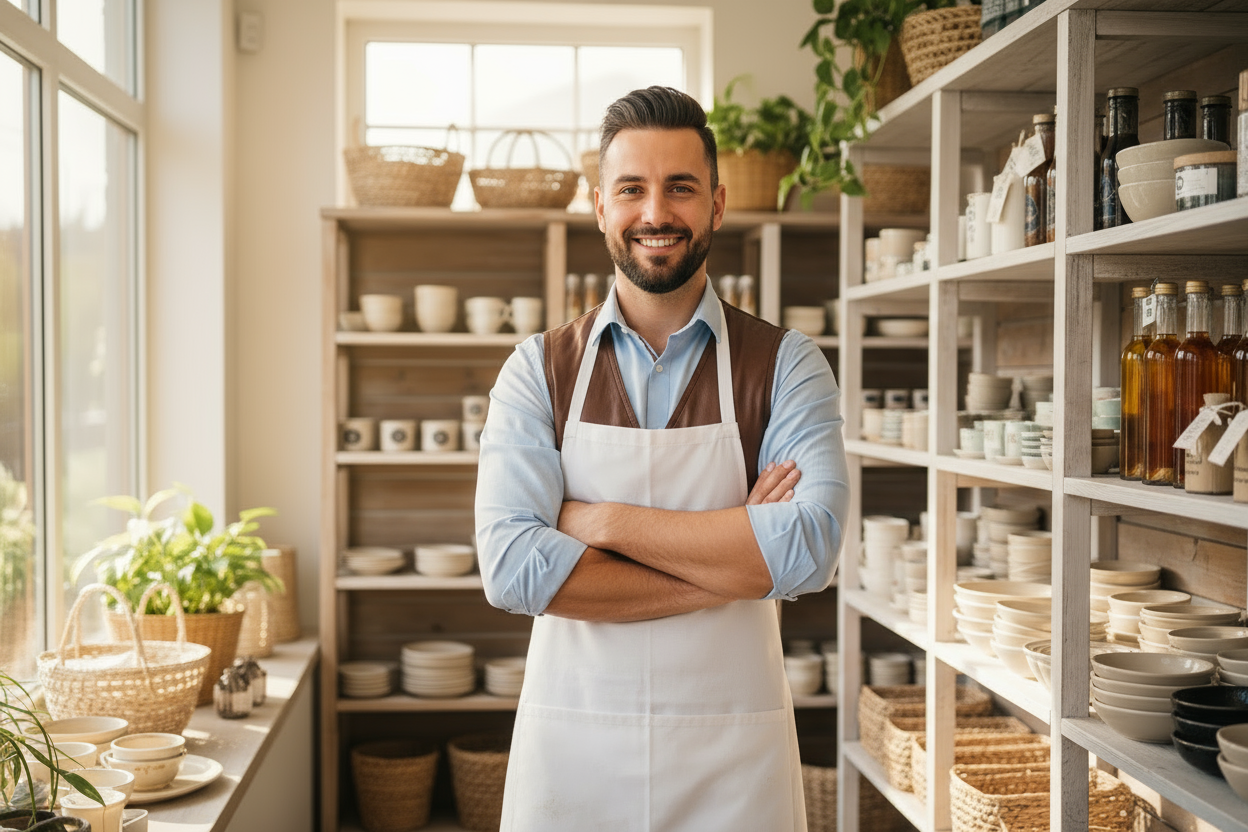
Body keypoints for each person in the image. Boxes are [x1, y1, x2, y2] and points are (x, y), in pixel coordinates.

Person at [474, 85, 848, 832]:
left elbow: (808, 551)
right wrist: (738, 551)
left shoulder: (785, 364)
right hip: (575, 759)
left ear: (715, 203)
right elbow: (513, 569)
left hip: (734, 768)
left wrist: (600, 522)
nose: (655, 213)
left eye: (680, 187)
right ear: (599, 205)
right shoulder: (538, 369)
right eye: (631, 189)